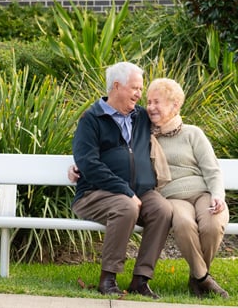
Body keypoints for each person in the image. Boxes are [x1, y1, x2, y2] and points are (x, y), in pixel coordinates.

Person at [71, 61, 172, 298]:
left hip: (140, 192)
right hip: (95, 193)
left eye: (141, 89)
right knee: (126, 207)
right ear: (116, 86)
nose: (139, 94)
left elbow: (170, 118)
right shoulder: (91, 119)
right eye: (135, 88)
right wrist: (125, 191)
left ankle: (141, 280)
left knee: (163, 210)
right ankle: (108, 278)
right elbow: (88, 163)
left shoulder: (141, 117)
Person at [145, 77, 230, 298]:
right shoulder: (144, 136)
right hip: (172, 196)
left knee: (213, 224)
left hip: (202, 193)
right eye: (149, 102)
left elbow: (212, 170)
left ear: (175, 105)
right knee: (183, 223)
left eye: (157, 102)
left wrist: (217, 196)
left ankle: (196, 276)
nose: (151, 107)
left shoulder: (193, 133)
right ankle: (203, 279)